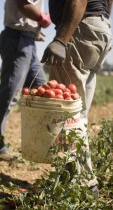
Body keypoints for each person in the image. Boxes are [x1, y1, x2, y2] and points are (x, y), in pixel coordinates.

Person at [41, 0, 112, 197]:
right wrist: (102, 22)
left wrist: (61, 39)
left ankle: (83, 185)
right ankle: (74, 178)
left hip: (79, 29)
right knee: (78, 114)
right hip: (99, 29)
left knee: (67, 114)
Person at [0, 0, 51, 160]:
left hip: (26, 40)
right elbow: (23, 3)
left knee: (42, 91)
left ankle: (43, 144)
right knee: (9, 94)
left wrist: (34, 30)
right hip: (17, 39)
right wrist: (42, 18)